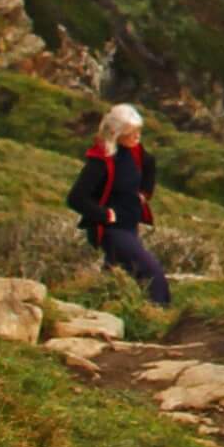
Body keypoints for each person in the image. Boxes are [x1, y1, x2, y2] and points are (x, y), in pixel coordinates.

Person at [66, 103, 169, 305]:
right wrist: (105, 215)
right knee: (151, 272)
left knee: (117, 274)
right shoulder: (101, 161)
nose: (137, 137)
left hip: (131, 226)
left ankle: (101, 309)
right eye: (131, 133)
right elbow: (76, 198)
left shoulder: (135, 152)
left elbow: (150, 164)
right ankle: (161, 314)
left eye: (139, 131)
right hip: (112, 230)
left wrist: (144, 194)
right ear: (117, 134)